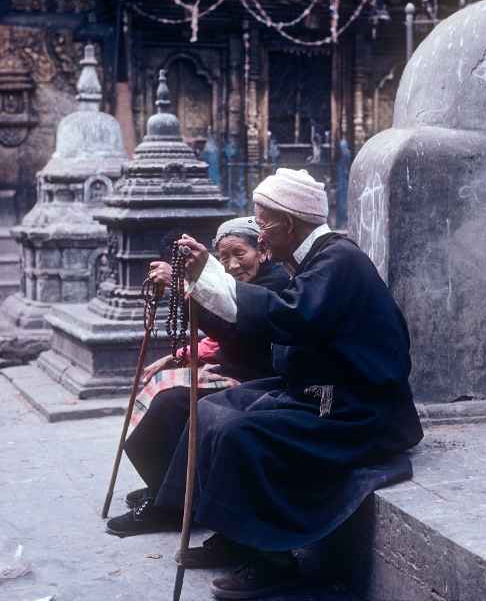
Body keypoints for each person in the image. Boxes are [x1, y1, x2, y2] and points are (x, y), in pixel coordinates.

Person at [158, 168, 423, 600]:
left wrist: (209, 277)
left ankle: (271, 559)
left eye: (263, 224)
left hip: (355, 407)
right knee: (210, 410)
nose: (259, 235)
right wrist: (201, 286)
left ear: (290, 223)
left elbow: (292, 315)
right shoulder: (308, 260)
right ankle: (233, 533)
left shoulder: (338, 259)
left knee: (241, 432)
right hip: (317, 392)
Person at [105, 216, 289, 538]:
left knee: (172, 403)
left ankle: (170, 507)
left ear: (262, 251)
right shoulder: (235, 282)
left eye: (239, 254)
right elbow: (219, 334)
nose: (232, 265)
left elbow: (235, 328)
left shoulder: (274, 284)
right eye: (224, 257)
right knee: (155, 389)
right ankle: (164, 487)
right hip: (231, 369)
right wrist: (180, 355)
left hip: (259, 380)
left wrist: (183, 287)